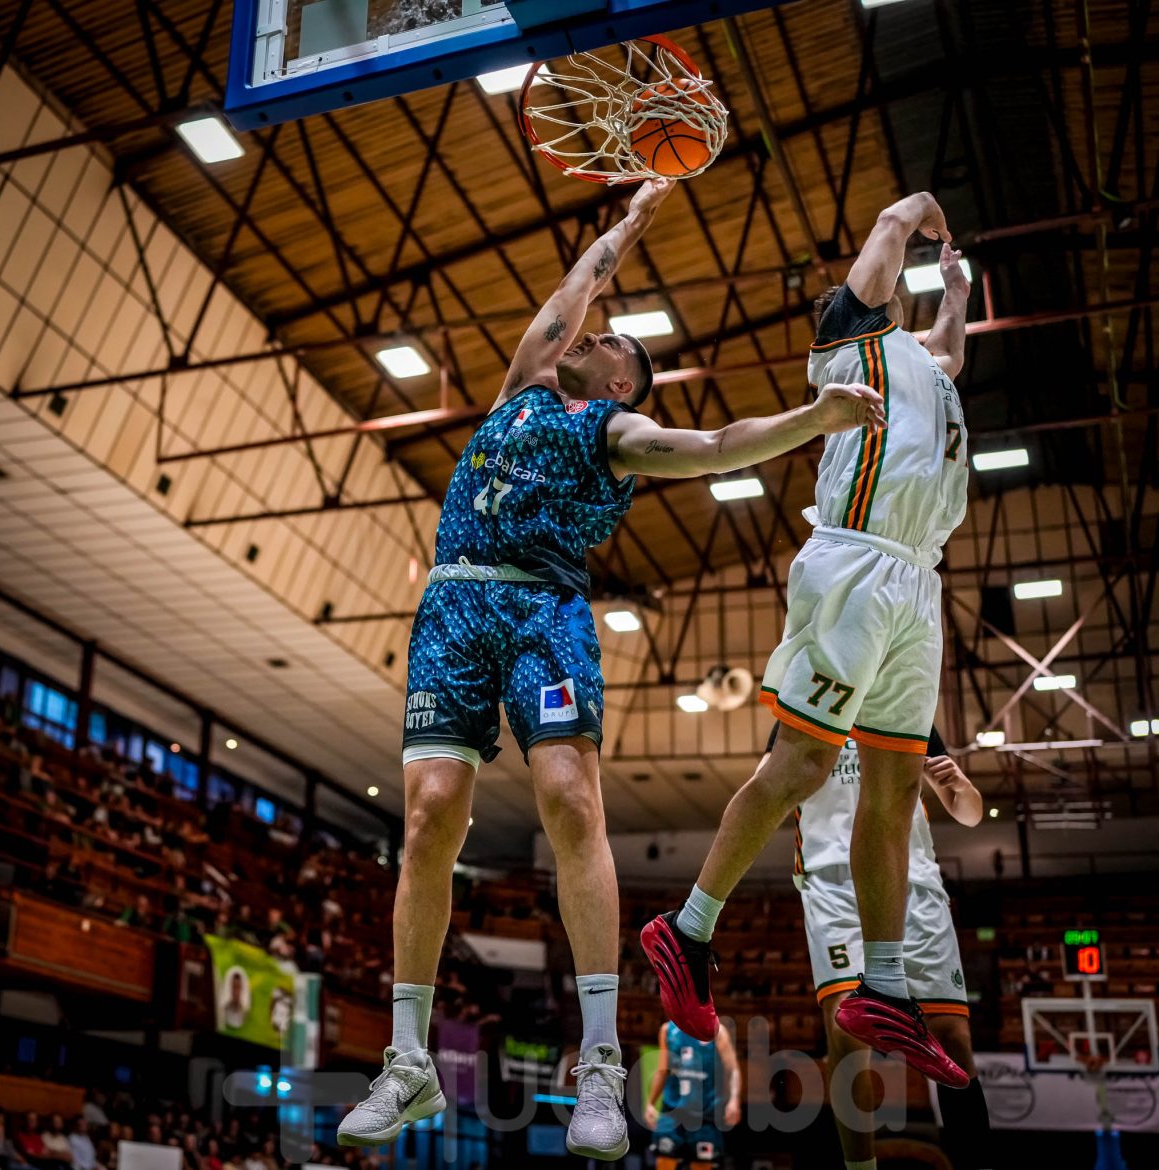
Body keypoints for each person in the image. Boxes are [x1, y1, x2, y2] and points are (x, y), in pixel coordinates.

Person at [336, 176, 886, 1159]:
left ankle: (598, 1067)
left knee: (571, 800)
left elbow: (716, 443)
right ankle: (409, 1064)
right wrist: (629, 222)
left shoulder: (612, 433)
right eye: (581, 335)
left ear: (620, 385)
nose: (582, 338)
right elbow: (569, 299)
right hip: (454, 604)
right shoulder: (519, 390)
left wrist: (812, 420)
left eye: (603, 344)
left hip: (546, 609)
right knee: (426, 817)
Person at [642, 191, 972, 1088]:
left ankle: (887, 986)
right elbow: (893, 224)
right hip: (856, 563)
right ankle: (689, 928)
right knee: (803, 768)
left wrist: (957, 290)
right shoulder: (853, 333)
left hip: (917, 578)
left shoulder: (919, 361)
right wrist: (924, 213)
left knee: (895, 788)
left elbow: (950, 354)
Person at [770, 723, 993, 1170]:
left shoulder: (908, 704)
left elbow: (969, 813)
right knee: (847, 1032)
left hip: (914, 882)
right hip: (834, 882)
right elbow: (770, 795)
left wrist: (961, 786)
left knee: (953, 1039)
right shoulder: (804, 701)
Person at [644, 1022, 741, 1169]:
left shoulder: (717, 1031)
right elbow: (663, 1070)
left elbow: (733, 1070)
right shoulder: (667, 1029)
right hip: (672, 1110)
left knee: (701, 1165)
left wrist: (734, 1099)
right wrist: (650, 1103)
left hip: (706, 1113)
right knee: (664, 1161)